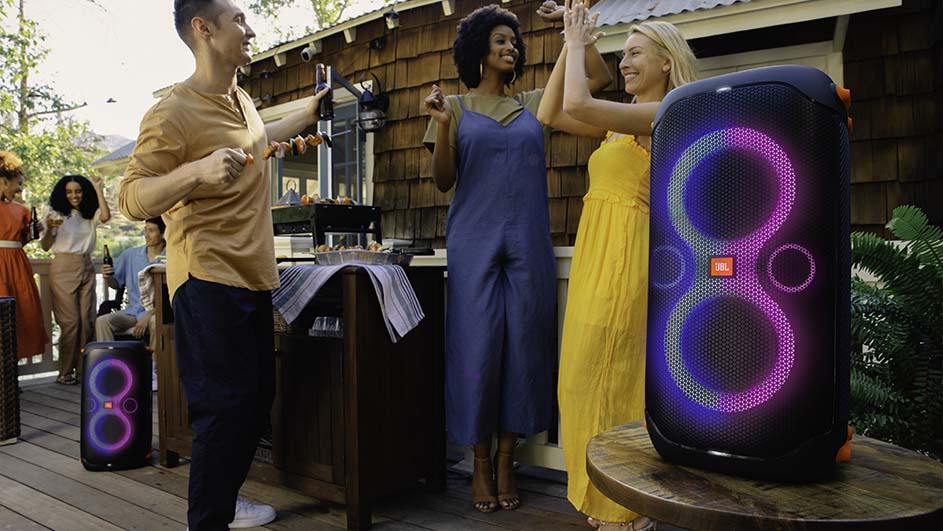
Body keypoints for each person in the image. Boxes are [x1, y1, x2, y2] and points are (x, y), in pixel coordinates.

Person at [119, 1, 329, 529]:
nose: (250, 29)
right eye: (238, 19)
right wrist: (195, 172)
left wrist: (308, 111)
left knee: (255, 403)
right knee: (224, 411)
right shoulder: (172, 112)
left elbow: (257, 141)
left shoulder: (241, 100)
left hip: (252, 275)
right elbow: (131, 198)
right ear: (203, 28)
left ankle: (227, 504)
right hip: (208, 277)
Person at [422, 2, 611, 514]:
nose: (511, 47)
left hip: (528, 240)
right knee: (476, 347)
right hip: (473, 241)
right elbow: (443, 181)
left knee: (526, 347)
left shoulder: (534, 104)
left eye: (514, 41)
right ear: (478, 50)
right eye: (500, 40)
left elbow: (598, 77)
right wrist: (443, 126)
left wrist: (572, 33)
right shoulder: (454, 106)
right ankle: (479, 463)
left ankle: (508, 460)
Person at [537, 1, 697, 528]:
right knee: (581, 380)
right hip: (597, 256)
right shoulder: (623, 120)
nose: (624, 63)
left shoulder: (666, 111)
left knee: (611, 376)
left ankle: (625, 511)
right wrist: (572, 41)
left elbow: (577, 103)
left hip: (627, 258)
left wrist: (578, 41)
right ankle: (613, 500)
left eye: (635, 53)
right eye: (622, 53)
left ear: (667, 61)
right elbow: (551, 114)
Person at [42, 174, 110, 385]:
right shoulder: (53, 212)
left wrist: (98, 188)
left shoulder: (89, 213)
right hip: (63, 267)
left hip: (86, 265)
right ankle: (65, 372)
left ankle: (83, 370)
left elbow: (106, 216)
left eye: (78, 191)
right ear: (62, 193)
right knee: (70, 323)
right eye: (69, 191)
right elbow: (45, 246)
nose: (74, 195)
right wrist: (50, 228)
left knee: (87, 321)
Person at [96, 218, 166, 365]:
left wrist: (148, 316)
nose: (146, 234)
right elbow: (116, 284)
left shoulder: (170, 257)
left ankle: (155, 370)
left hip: (159, 312)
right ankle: (110, 366)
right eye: (145, 230)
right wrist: (107, 277)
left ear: (163, 233)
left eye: (151, 231)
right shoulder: (130, 255)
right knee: (103, 321)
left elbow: (170, 296)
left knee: (155, 322)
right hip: (133, 312)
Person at [0, 151, 48, 363]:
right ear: (4, 181)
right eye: (18, 184)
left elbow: (21, 241)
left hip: (17, 266)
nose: (20, 189)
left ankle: (11, 372)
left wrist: (33, 232)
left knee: (21, 314)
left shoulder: (21, 210)